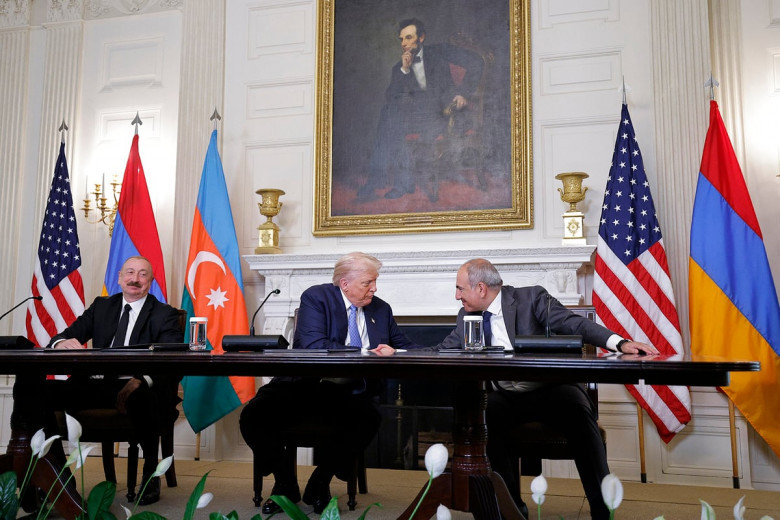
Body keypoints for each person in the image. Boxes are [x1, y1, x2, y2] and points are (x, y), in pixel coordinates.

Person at [436, 258, 657, 520]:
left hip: (551, 390)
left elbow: (574, 323)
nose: (457, 296)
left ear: (481, 289)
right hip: (507, 396)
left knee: (578, 413)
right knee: (486, 415)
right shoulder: (467, 316)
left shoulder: (531, 299)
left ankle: (602, 508)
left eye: (460, 289)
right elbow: (442, 349)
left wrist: (619, 343)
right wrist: (399, 351)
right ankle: (511, 509)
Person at [239, 252, 420, 515]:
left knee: (369, 418)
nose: (374, 288)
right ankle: (285, 484)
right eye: (368, 282)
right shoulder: (317, 298)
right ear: (345, 283)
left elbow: (405, 346)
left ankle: (319, 483)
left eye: (375, 281)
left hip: (351, 391)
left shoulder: (381, 309)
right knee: (254, 415)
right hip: (303, 385)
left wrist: (444, 350)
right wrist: (367, 352)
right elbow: (314, 346)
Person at [25, 256, 183, 505]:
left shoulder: (165, 314)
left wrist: (141, 379)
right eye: (129, 272)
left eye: (142, 274)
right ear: (119, 278)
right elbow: (65, 336)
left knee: (143, 396)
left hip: (137, 386)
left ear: (151, 282)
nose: (135, 279)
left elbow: (173, 359)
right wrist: (61, 343)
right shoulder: (102, 306)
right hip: (95, 384)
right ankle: (59, 476)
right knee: (36, 392)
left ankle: (151, 475)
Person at [356, 18, 484, 203]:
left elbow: (476, 61)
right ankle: (396, 182)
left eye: (409, 37)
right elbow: (391, 97)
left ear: (421, 37)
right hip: (420, 118)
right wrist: (405, 70)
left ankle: (390, 182)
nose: (404, 43)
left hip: (445, 114)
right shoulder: (399, 68)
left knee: (390, 119)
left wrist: (463, 92)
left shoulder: (440, 51)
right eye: (401, 39)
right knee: (389, 114)